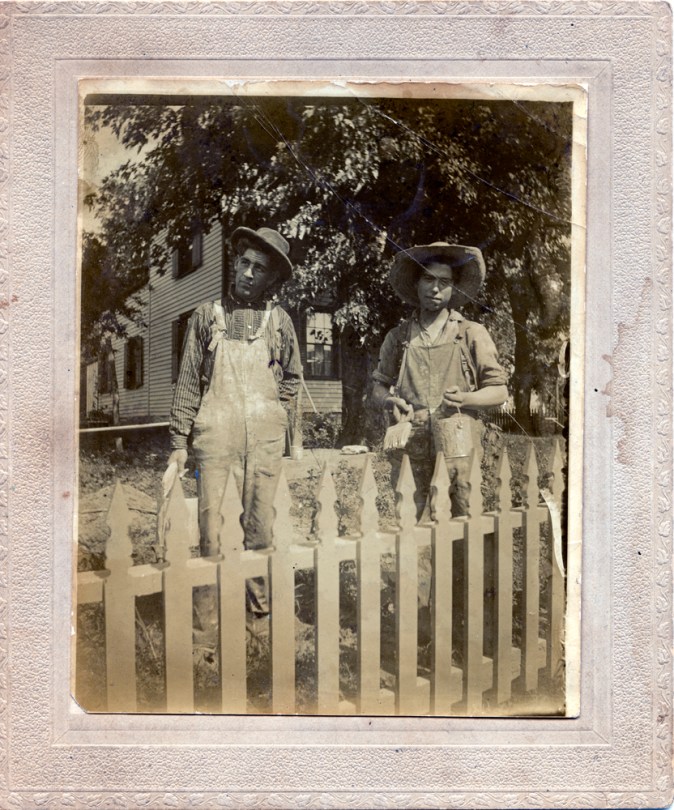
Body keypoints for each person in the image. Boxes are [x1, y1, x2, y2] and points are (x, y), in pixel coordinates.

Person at [168, 226, 302, 619]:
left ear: (271, 277)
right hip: (215, 435)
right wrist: (179, 440)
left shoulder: (279, 322)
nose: (247, 273)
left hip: (263, 441)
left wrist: (274, 412)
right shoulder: (207, 316)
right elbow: (189, 379)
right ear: (235, 262)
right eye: (243, 262)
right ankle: (206, 621)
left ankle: (258, 615)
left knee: (260, 527)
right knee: (212, 528)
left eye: (258, 268)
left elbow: (292, 377)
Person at [372, 242, 508, 520]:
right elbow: (376, 388)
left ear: (454, 287)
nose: (435, 288)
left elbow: (499, 391)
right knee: (410, 522)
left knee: (464, 518)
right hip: (411, 442)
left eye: (444, 282)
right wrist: (389, 400)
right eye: (428, 279)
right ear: (416, 283)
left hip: (458, 441)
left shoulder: (472, 333)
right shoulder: (398, 338)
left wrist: (467, 399)